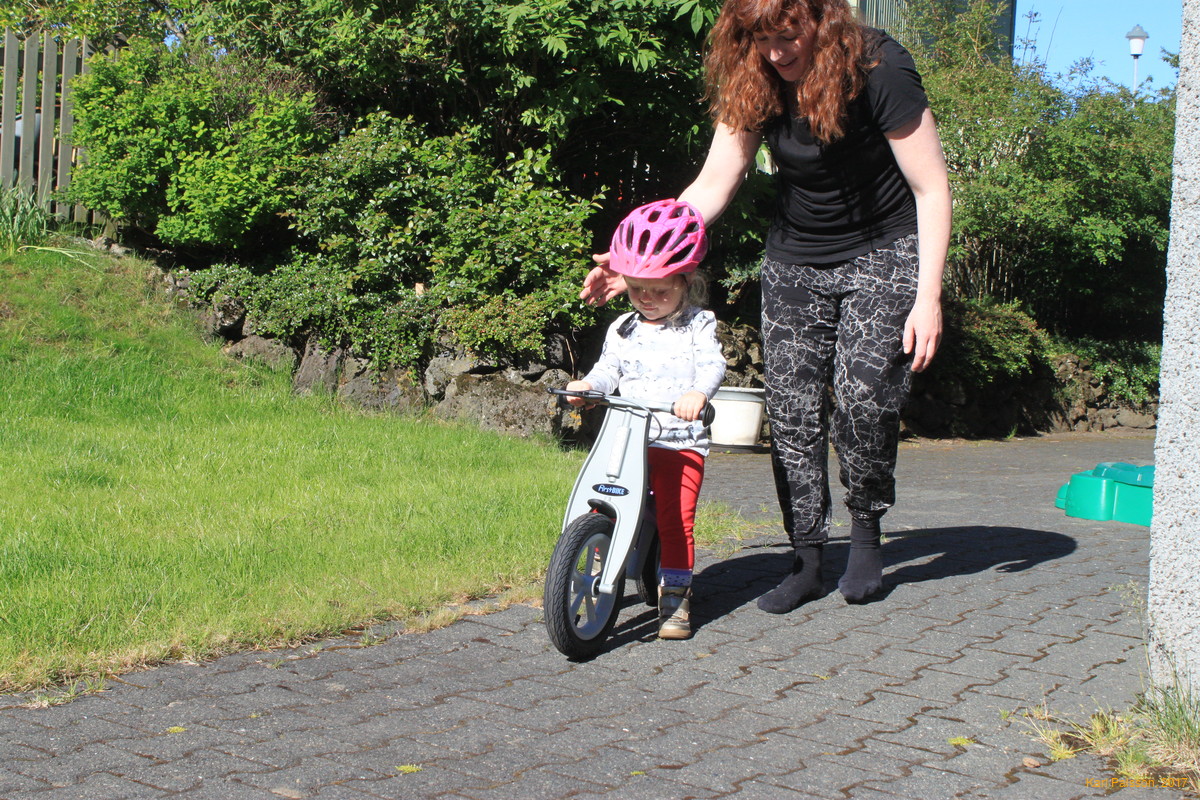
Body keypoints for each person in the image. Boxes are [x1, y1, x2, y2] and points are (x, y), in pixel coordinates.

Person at [581, 0, 951, 613]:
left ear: (821, 17)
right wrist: (641, 262)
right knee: (792, 411)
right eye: (761, 38)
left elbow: (930, 186)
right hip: (795, 258)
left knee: (864, 400)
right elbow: (715, 181)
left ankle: (865, 534)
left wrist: (927, 295)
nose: (777, 53)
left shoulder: (878, 66)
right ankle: (807, 558)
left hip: (883, 251)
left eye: (788, 35)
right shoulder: (754, 75)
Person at [565, 199, 727, 639]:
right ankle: (600, 561)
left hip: (678, 440)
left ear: (684, 282)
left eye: (661, 291)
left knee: (675, 519)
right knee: (602, 505)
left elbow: (712, 364)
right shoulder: (623, 326)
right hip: (626, 440)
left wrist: (697, 394)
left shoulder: (698, 323)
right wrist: (589, 387)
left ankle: (675, 597)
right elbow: (608, 370)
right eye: (638, 290)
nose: (648, 300)